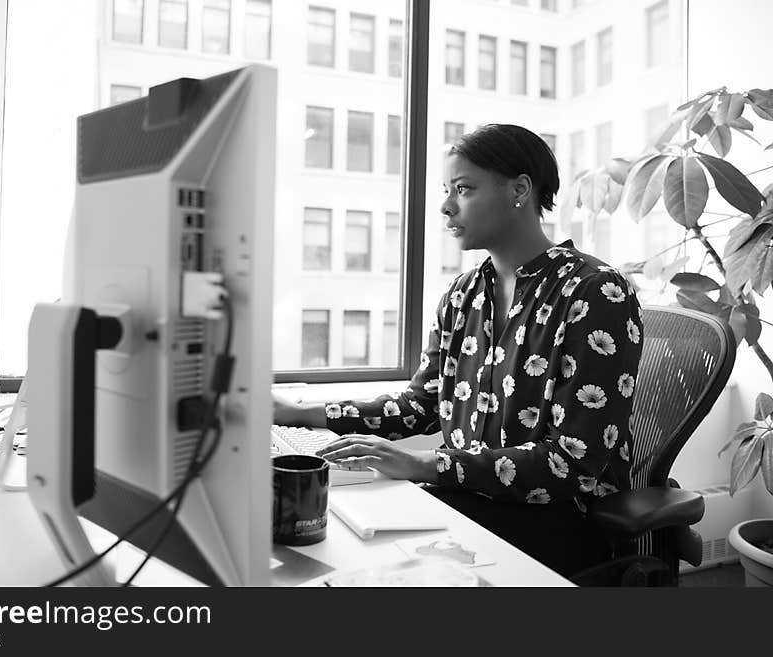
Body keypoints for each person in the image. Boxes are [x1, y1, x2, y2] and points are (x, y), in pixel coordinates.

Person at [273, 124, 643, 580]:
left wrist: (424, 463)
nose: (447, 206)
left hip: (560, 518)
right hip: (465, 500)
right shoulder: (464, 292)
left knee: (370, 567)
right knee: (326, 533)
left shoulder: (595, 292)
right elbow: (418, 408)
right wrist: (299, 413)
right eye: (447, 191)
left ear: (519, 190)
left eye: (463, 189)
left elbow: (572, 465)